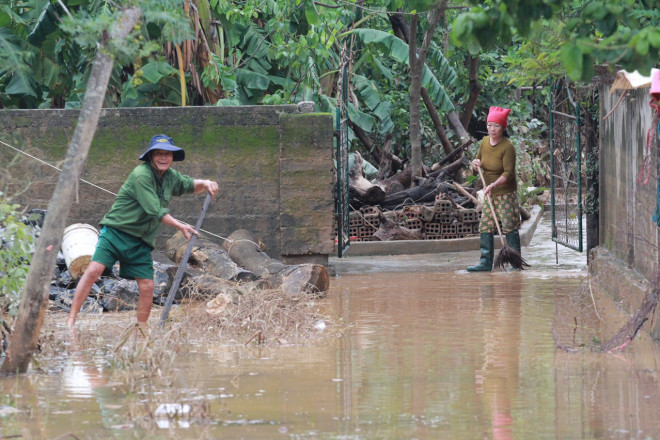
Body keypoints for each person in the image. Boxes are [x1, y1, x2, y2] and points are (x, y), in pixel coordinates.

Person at [66, 134, 219, 326]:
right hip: (116, 232)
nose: (163, 158)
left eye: (167, 154)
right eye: (158, 154)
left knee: (147, 285)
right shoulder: (141, 175)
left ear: (172, 157)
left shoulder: (170, 177)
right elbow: (154, 210)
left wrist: (205, 183)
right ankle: (71, 319)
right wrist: (180, 225)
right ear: (150, 156)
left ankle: (142, 328)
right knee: (93, 270)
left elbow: (188, 185)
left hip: (140, 240)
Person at [467, 106, 521, 272]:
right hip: (489, 193)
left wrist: (493, 185)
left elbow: (508, 173)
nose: (492, 129)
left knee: (509, 226)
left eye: (496, 126)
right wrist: (475, 164)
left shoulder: (507, 147)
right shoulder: (484, 142)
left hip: (504, 193)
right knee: (486, 226)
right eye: (489, 125)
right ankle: (485, 263)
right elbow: (477, 160)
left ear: (503, 127)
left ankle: (515, 263)